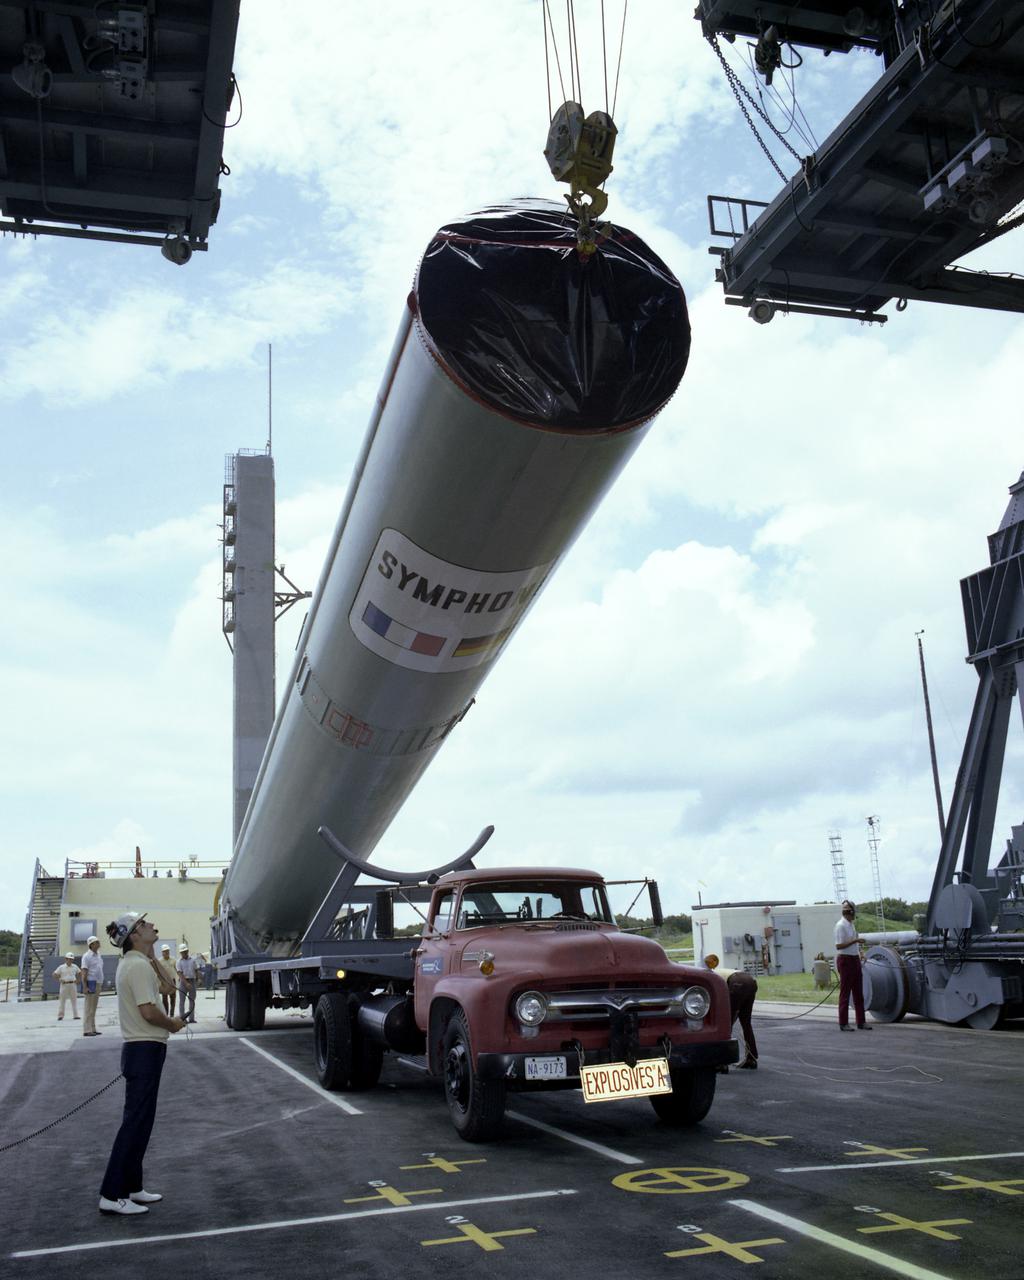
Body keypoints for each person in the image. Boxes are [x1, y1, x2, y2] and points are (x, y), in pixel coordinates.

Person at [99, 911, 184, 1216]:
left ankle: (133, 1186)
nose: (152, 925)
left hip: (145, 1049)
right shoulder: (135, 966)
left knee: (142, 1121)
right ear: (134, 934)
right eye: (145, 925)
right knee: (134, 1123)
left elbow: (168, 988)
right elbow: (149, 1012)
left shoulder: (140, 963)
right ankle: (112, 1193)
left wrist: (151, 955)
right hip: (143, 1048)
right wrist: (172, 1024)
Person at [705, 955, 758, 1069]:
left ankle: (722, 1062)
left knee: (725, 1025)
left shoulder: (709, 976)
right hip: (750, 981)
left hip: (737, 983)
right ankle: (751, 1058)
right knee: (746, 1023)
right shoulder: (719, 972)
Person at [834, 899, 872, 1031]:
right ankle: (843, 1023)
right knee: (845, 993)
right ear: (849, 912)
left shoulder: (851, 925)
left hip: (854, 959)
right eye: (853, 913)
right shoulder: (841, 926)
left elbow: (855, 942)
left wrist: (860, 952)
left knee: (858, 992)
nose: (854, 916)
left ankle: (861, 1021)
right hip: (845, 960)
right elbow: (839, 945)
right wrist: (855, 940)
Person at [80, 935, 105, 1036]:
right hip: (91, 983)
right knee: (88, 1007)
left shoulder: (98, 954)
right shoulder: (87, 956)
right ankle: (87, 1030)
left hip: (98, 982)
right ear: (91, 944)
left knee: (93, 1008)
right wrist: (85, 986)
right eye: (97, 942)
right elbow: (84, 972)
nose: (99, 943)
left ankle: (93, 1028)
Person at [52, 952, 81, 1022]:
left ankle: (76, 1015)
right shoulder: (61, 967)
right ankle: (60, 1015)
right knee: (62, 1001)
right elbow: (54, 974)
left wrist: (78, 980)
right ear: (66, 959)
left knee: (74, 1000)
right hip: (64, 984)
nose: (70, 961)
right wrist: (59, 979)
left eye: (71, 959)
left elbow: (80, 973)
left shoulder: (75, 966)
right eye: (69, 959)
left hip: (73, 984)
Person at [175, 944, 198, 1024]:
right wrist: (186, 983)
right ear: (180, 953)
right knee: (182, 1001)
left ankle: (191, 1019)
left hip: (192, 981)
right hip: (183, 981)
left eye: (185, 951)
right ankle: (183, 1018)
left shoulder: (193, 960)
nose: (184, 953)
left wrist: (199, 979)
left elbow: (196, 970)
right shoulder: (178, 962)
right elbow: (180, 974)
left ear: (187, 951)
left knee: (192, 1000)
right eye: (182, 952)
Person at [157, 944, 177, 1017]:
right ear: (162, 952)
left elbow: (177, 970)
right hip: (164, 982)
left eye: (167, 951)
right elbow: (158, 972)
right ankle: (166, 1014)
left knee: (173, 998)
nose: (166, 953)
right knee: (164, 999)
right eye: (165, 951)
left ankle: (172, 1014)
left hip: (172, 981)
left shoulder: (173, 960)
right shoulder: (159, 961)